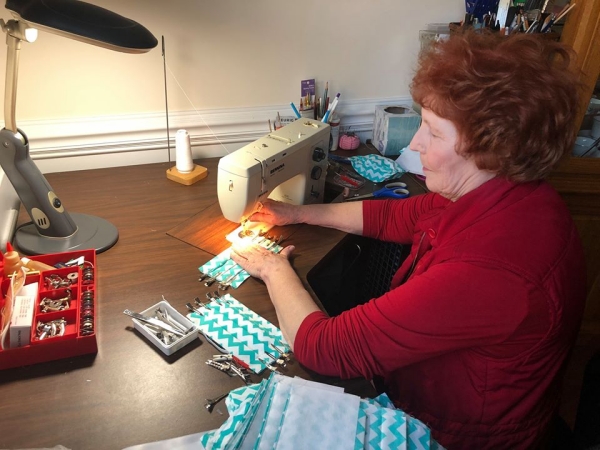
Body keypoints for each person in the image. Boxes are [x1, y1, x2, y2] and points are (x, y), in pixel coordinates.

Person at [230, 30, 586, 449]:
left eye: (433, 133)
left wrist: (273, 268)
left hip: (456, 436)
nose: (415, 143)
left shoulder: (492, 273)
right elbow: (397, 215)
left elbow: (323, 348)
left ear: (493, 147)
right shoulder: (511, 193)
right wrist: (297, 213)